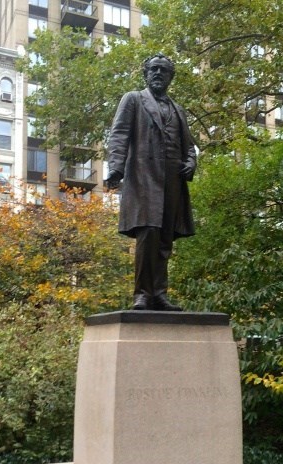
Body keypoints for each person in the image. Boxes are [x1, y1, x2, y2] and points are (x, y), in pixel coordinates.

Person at [106, 53, 197, 311]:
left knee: (165, 239)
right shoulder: (134, 99)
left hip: (172, 182)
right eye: (154, 69)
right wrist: (116, 169)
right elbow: (119, 134)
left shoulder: (178, 110)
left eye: (163, 70)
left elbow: (189, 147)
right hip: (144, 178)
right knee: (148, 234)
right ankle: (143, 294)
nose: (158, 74)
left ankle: (159, 293)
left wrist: (191, 163)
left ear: (170, 77)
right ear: (146, 74)